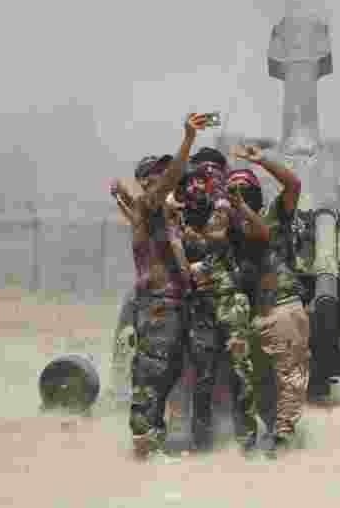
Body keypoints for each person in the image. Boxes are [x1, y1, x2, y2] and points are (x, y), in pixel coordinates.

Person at [108, 112, 209, 459]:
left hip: (172, 306)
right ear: (147, 183)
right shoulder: (149, 205)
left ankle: (152, 444)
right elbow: (166, 184)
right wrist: (188, 140)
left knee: (166, 375)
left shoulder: (160, 217)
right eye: (157, 176)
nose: (167, 182)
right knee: (151, 377)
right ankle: (143, 450)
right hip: (158, 306)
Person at [229, 143, 309, 458]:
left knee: (289, 381)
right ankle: (268, 438)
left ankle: (284, 443)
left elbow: (293, 184)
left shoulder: (274, 216)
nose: (237, 195)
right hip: (254, 318)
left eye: (243, 189)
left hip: (282, 309)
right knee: (259, 387)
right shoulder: (229, 231)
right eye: (232, 190)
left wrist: (262, 160)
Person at [178, 164, 263, 456]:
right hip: (201, 306)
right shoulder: (181, 216)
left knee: (241, 372)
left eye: (202, 181)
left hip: (230, 301)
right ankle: (201, 442)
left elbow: (221, 236)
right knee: (203, 375)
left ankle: (247, 441)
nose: (197, 187)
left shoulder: (224, 209)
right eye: (191, 183)